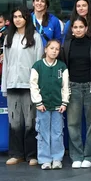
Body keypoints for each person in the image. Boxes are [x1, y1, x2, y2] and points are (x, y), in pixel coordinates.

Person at [2, 7, 44, 166]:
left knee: (30, 121)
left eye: (20, 16)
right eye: (15, 17)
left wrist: (37, 86)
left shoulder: (35, 37)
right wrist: (5, 86)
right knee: (14, 121)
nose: (17, 19)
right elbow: (6, 62)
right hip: (12, 83)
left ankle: (32, 155)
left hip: (29, 85)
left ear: (27, 18)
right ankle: (16, 154)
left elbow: (39, 62)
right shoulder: (8, 38)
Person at [60, 16, 91, 169]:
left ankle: (90, 155)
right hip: (73, 86)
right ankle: (76, 155)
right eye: (75, 27)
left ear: (86, 28)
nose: (78, 29)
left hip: (90, 86)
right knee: (73, 123)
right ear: (71, 29)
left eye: (80, 27)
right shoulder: (67, 44)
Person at [31, 39, 70, 170]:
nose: (54, 51)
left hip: (58, 105)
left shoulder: (62, 67)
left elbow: (65, 86)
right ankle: (45, 159)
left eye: (57, 49)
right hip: (43, 106)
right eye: (52, 48)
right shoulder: (37, 66)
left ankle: (57, 158)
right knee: (43, 133)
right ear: (46, 49)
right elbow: (33, 85)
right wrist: (38, 102)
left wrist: (64, 102)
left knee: (57, 133)